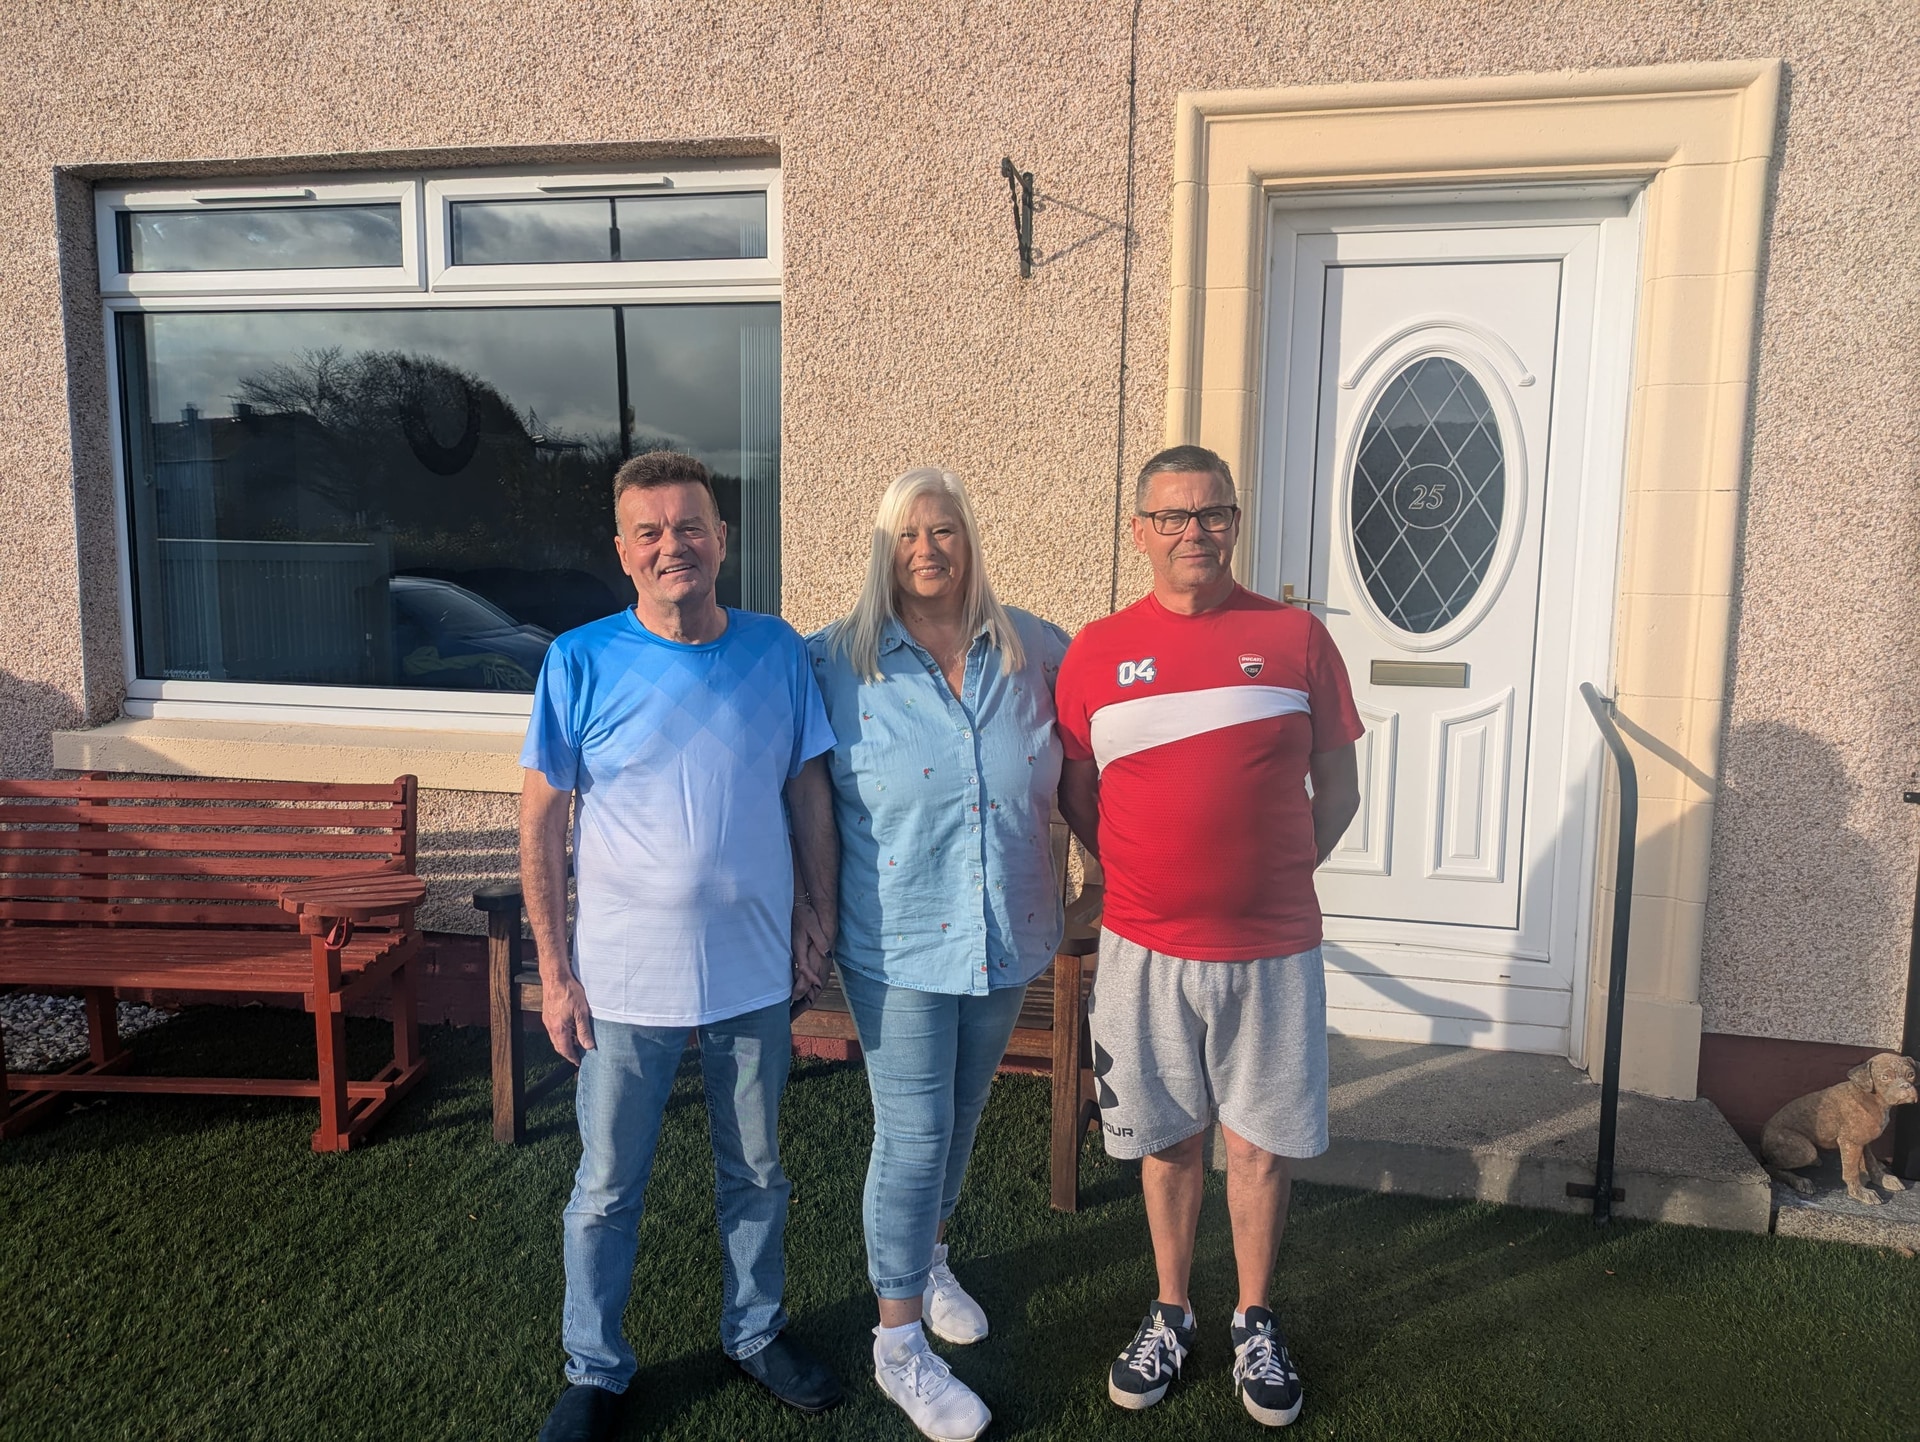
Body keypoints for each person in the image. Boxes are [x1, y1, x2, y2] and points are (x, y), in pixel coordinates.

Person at [521, 450, 844, 1442]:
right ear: (624, 551)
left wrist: (818, 915)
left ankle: (756, 1331)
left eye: (691, 525)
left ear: (723, 539)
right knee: (606, 1187)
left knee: (758, 1171)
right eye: (651, 531)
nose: (675, 545)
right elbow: (541, 822)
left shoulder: (776, 650)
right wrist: (555, 970)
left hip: (753, 966)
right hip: (623, 980)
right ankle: (594, 1368)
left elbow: (808, 791)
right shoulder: (579, 659)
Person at [1055, 444, 1363, 1429]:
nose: (1195, 531)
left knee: (1260, 1145)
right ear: (1139, 531)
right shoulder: (1097, 651)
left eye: (1213, 512)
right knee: (1168, 1137)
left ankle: (1254, 1318)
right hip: (1143, 947)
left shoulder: (1295, 638)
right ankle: (1173, 1310)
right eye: (1173, 516)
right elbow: (1077, 791)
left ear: (1234, 521)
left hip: (1273, 947)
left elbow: (1340, 788)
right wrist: (1139, 874)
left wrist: (1274, 874)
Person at [806, 467, 1070, 1442]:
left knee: (960, 1116)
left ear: (970, 540)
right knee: (913, 1134)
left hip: (1006, 929)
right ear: (884, 549)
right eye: (908, 533)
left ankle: (930, 1257)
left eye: (945, 529)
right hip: (900, 939)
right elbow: (782, 777)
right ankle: (898, 1342)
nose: (928, 548)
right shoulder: (833, 661)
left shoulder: (1034, 647)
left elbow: (1095, 754)